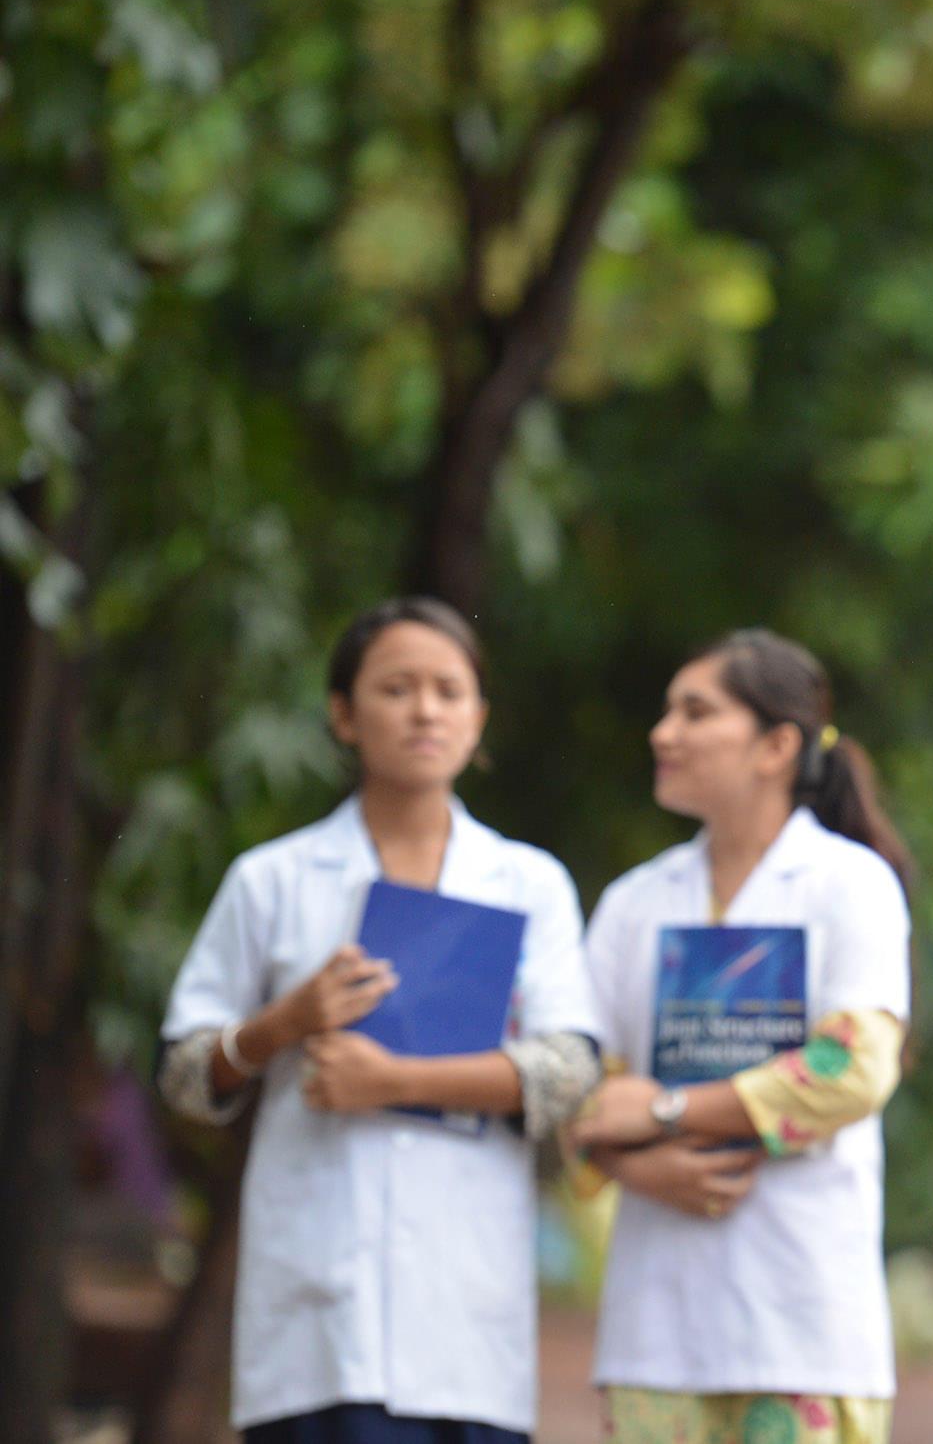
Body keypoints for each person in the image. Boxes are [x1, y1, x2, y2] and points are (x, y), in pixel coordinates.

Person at [158, 597, 603, 1444]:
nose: (426, 709)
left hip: (466, 1322)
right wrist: (280, 1024)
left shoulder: (527, 882)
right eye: (396, 687)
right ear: (342, 714)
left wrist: (392, 1082)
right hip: (317, 1317)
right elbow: (182, 1069)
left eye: (449, 689)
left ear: (478, 716)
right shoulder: (273, 879)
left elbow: (569, 1065)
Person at [564, 630, 914, 1444]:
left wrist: (662, 1112)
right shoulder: (632, 901)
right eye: (665, 711)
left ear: (777, 744)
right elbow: (579, 1086)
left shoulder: (848, 883)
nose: (662, 732)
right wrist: (629, 1159)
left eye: (695, 711)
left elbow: (852, 1068)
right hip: (655, 1334)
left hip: (801, 1326)